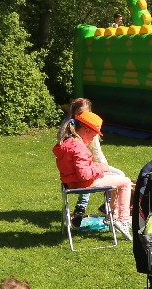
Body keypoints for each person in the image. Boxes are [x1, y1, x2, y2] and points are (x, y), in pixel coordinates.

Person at [53, 110, 134, 240]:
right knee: (125, 182)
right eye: (93, 136)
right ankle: (122, 220)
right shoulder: (79, 147)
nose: (92, 139)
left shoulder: (67, 143)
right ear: (86, 131)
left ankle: (114, 217)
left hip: (70, 184)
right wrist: (100, 168)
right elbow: (84, 175)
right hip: (84, 184)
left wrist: (95, 167)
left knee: (117, 178)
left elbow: (77, 168)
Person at [62, 98, 126, 228]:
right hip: (83, 171)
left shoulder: (87, 130)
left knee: (119, 175)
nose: (82, 116)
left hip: (87, 168)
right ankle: (81, 210)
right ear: (74, 114)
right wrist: (100, 169)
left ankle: (107, 207)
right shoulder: (74, 137)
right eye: (79, 113)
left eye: (85, 113)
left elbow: (97, 152)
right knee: (92, 180)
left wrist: (103, 167)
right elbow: (83, 172)